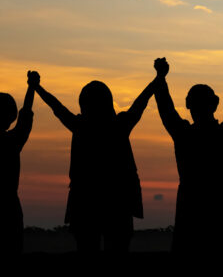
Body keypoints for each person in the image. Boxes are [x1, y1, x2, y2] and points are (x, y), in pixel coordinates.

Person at [32, 71, 156, 253]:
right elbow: (141, 102)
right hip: (117, 202)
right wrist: (158, 79)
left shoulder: (80, 126)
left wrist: (37, 88)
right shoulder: (119, 125)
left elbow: (56, 107)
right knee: (116, 248)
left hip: (86, 202)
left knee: (88, 248)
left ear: (84, 104)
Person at [152, 56, 223, 258]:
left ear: (188, 105)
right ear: (215, 104)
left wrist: (161, 77)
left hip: (191, 204)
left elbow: (166, 109)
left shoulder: (184, 134)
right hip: (216, 203)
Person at [1, 71, 36, 255]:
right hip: (9, 208)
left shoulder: (12, 141)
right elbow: (26, 116)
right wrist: (31, 87)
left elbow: (25, 116)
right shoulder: (12, 141)